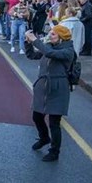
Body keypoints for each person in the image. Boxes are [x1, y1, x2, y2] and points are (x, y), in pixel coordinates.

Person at [25, 25, 75, 162]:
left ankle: (54, 151)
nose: (50, 36)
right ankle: (44, 137)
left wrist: (35, 40)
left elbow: (50, 53)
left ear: (61, 37)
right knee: (37, 116)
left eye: (53, 34)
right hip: (43, 87)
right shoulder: (48, 46)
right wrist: (28, 43)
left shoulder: (68, 51)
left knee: (54, 122)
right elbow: (32, 55)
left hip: (58, 88)